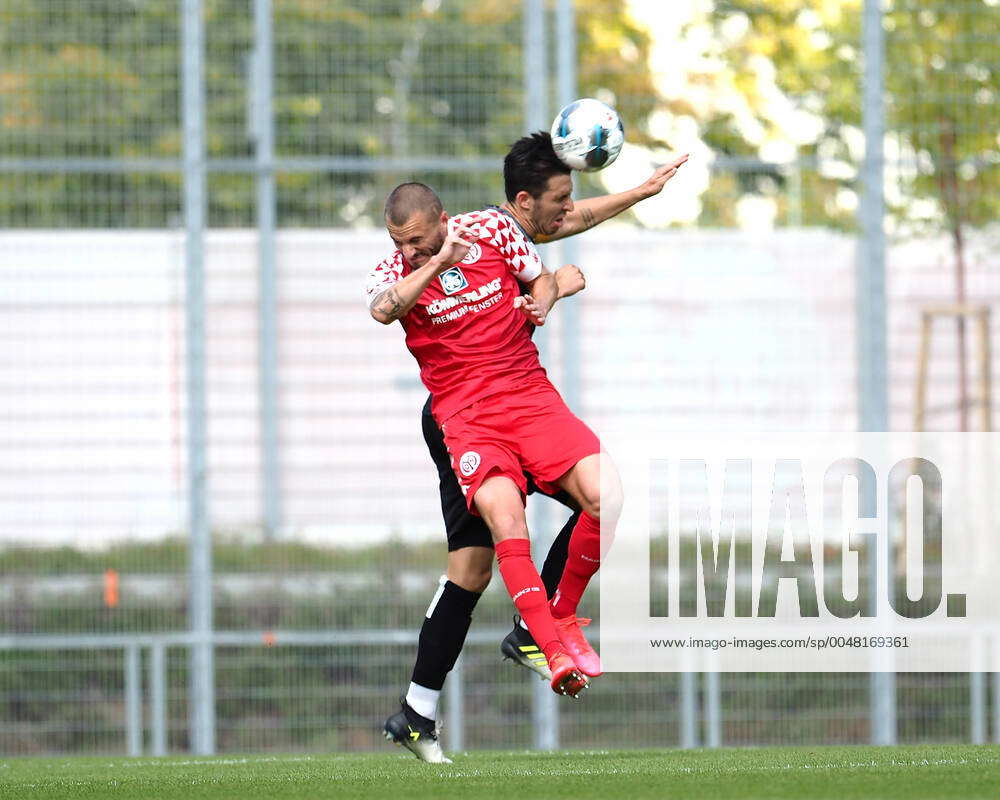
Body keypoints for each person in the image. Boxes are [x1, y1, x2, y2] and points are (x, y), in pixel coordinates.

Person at [368, 139, 686, 762]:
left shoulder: (492, 228)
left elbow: (559, 223)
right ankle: (523, 641)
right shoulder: (400, 269)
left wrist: (555, 283)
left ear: (441, 220)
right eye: (399, 242)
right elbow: (385, 307)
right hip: (458, 417)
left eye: (417, 240)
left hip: (521, 399)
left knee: (477, 567)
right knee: (475, 562)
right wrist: (436, 265)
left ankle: (418, 708)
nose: (406, 251)